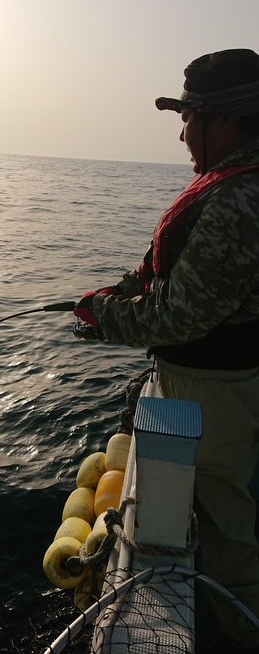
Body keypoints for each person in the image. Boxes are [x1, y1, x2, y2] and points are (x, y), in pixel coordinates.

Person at [74, 49, 259, 652]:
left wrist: (105, 315)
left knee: (229, 524)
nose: (182, 132)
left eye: (190, 117)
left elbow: (182, 314)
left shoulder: (234, 200)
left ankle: (242, 627)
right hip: (209, 389)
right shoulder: (228, 183)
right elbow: (165, 278)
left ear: (226, 120)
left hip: (217, 392)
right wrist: (120, 291)